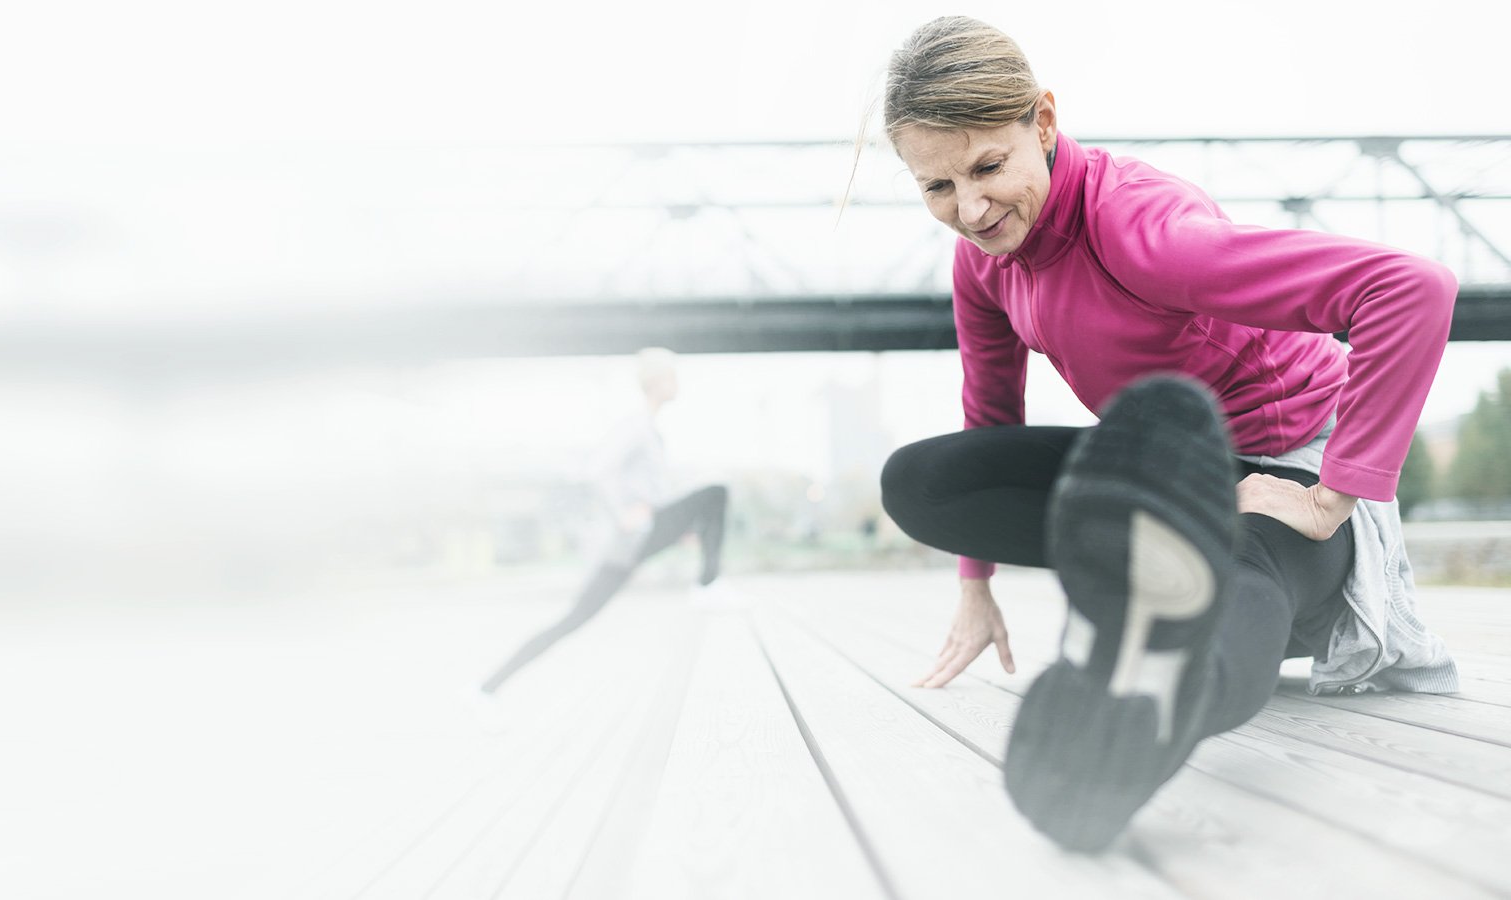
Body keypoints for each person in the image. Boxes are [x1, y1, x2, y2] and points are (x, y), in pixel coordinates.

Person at [870, 16, 1459, 851]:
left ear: (1042, 121)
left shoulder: (1143, 233)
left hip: (1291, 477)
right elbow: (990, 412)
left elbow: (1412, 290)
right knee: (924, 481)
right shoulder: (984, 260)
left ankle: (1150, 704)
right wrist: (976, 588)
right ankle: (1145, 576)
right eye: (936, 186)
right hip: (1180, 467)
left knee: (1241, 567)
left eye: (988, 166)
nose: (969, 208)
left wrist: (1332, 496)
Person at [477, 348, 731, 697]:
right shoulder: (636, 426)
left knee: (573, 619)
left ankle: (485, 689)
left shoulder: (650, 430)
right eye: (672, 377)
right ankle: (706, 585)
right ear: (656, 382)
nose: (678, 384)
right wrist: (622, 512)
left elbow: (651, 495)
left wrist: (686, 529)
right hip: (634, 537)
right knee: (716, 492)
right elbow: (597, 470)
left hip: (635, 540)